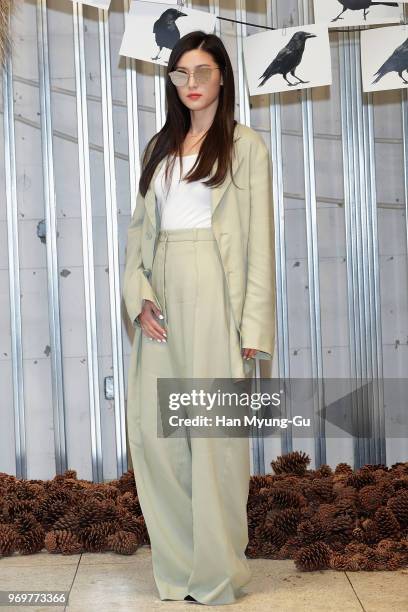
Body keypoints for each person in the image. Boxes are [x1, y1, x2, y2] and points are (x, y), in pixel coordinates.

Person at [123, 30, 275, 605]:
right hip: (162, 299)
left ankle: (218, 576)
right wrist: (137, 296)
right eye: (180, 73)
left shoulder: (246, 146)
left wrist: (253, 328)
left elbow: (258, 243)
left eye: (202, 71)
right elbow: (138, 236)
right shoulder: (157, 148)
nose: (191, 83)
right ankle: (180, 571)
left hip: (218, 294)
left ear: (222, 78)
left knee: (216, 442)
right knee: (159, 439)